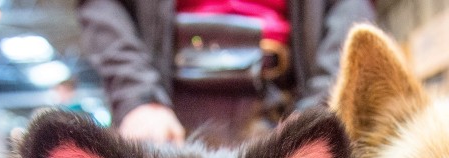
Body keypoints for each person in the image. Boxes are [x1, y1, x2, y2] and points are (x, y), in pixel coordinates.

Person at [77, 0, 376, 145]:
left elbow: (351, 8)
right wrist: (137, 99)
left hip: (285, 97)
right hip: (160, 108)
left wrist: (321, 105)